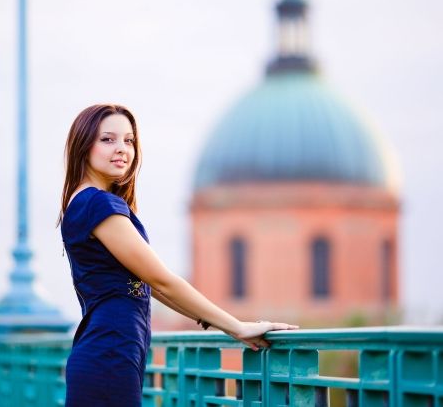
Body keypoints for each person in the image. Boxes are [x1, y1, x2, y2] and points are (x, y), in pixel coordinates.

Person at [59, 104, 298, 406]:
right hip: (109, 356)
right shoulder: (98, 205)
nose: (122, 149)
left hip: (110, 354)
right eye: (108, 140)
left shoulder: (84, 203)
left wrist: (212, 322)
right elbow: (162, 281)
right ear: (83, 146)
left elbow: (154, 288)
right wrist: (236, 326)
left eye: (129, 141)